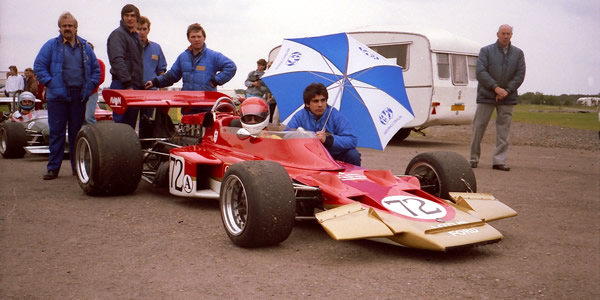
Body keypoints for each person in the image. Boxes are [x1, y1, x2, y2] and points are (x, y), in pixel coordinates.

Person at [34, 12, 101, 180]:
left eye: (70, 26)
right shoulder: (50, 46)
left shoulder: (85, 47)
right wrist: (52, 84)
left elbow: (96, 71)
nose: (67, 29)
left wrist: (89, 87)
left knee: (76, 134)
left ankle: (77, 168)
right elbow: (39, 67)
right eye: (64, 26)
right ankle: (53, 168)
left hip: (79, 96)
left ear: (76, 27)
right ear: (60, 28)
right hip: (57, 97)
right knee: (56, 133)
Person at [145, 23, 236, 114]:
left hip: (207, 106)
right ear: (188, 39)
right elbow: (172, 76)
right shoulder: (182, 57)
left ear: (204, 38)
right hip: (188, 105)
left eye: (199, 36)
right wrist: (155, 82)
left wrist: (216, 81)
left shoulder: (214, 56)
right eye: (193, 37)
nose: (196, 40)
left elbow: (231, 67)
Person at [469, 24, 526, 172]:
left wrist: (507, 91)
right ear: (497, 34)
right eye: (503, 33)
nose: (506, 36)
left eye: (508, 34)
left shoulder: (518, 54)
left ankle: (499, 161)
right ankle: (473, 159)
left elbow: (520, 74)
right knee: (478, 128)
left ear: (511, 35)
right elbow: (480, 72)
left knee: (503, 131)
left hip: (508, 98)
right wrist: (496, 88)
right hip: (486, 96)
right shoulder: (486, 51)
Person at [285, 83, 361, 166]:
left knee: (353, 155)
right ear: (307, 104)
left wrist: (328, 140)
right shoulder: (299, 116)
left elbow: (352, 139)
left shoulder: (336, 116)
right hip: (309, 154)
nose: (320, 105)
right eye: (315, 101)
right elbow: (286, 136)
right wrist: (305, 137)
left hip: (333, 154)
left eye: (323, 100)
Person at [107, 4, 144, 128]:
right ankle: (117, 148)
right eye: (126, 15)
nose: (129, 18)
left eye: (133, 16)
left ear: (137, 18)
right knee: (120, 124)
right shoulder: (118, 35)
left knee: (131, 124)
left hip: (135, 85)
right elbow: (117, 60)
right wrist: (127, 84)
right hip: (122, 85)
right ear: (122, 17)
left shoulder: (135, 37)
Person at [137, 15, 167, 136]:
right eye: (139, 29)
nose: (142, 32)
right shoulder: (129, 46)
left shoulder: (156, 48)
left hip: (150, 91)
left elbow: (161, 70)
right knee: (129, 122)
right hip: (132, 90)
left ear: (149, 30)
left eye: (144, 29)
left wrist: (161, 89)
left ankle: (145, 148)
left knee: (147, 121)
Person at [84, 41, 105, 124]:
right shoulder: (78, 63)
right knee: (78, 117)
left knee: (89, 117)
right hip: (79, 93)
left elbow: (101, 78)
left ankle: (94, 134)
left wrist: (89, 86)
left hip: (92, 93)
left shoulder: (99, 63)